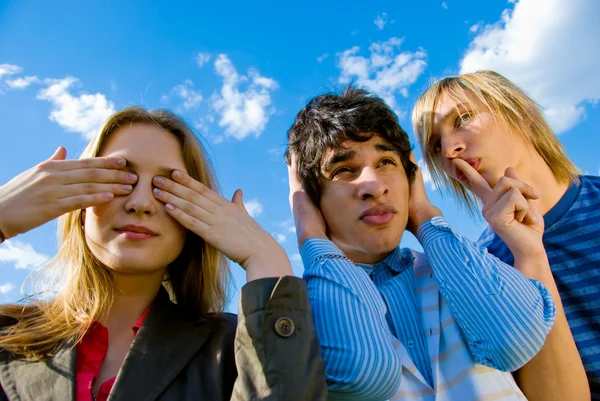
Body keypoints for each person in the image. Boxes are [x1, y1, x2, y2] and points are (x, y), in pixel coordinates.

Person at [0, 107, 326, 400]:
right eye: (120, 178)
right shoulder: (6, 333)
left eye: (165, 187)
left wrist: (265, 260)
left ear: (194, 218)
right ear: (80, 206)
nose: (140, 203)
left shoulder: (237, 349)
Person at [285, 87, 557, 400]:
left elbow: (515, 343)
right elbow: (363, 377)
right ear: (310, 198)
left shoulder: (456, 266)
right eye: (344, 169)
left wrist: (425, 215)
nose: (374, 186)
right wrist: (311, 235)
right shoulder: (301, 309)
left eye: (387, 162)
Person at [412, 69, 593, 400]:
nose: (450, 149)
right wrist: (528, 254)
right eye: (436, 144)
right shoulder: (482, 267)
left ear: (518, 110)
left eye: (463, 118)